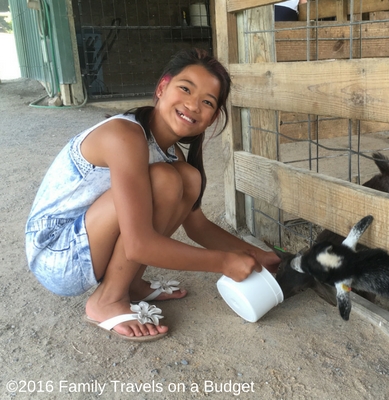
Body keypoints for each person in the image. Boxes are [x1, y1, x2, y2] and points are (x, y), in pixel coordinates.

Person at [25, 48, 281, 341]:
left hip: (85, 244)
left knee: (187, 178)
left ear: (212, 118)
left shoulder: (171, 155)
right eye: (185, 88)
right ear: (162, 88)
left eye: (207, 102)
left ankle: (129, 283)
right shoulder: (125, 135)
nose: (193, 105)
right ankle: (106, 300)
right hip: (55, 255)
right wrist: (224, 263)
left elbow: (198, 227)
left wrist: (255, 254)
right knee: (165, 180)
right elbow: (137, 245)